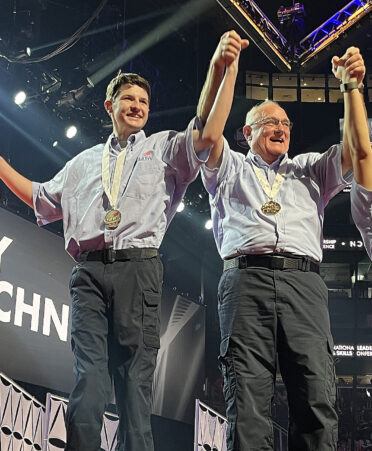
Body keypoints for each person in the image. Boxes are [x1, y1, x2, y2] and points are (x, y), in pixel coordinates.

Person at [0, 31, 248, 451]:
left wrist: (224, 69)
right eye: (129, 99)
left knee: (135, 388)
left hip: (139, 268)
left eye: (143, 103)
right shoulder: (82, 163)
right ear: (109, 105)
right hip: (89, 274)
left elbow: (207, 133)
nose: (137, 107)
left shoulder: (164, 148)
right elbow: (40, 198)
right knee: (89, 384)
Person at [198, 46, 366, 450]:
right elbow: (207, 132)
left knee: (316, 395)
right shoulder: (229, 166)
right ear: (247, 132)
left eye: (286, 122)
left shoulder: (311, 167)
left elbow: (359, 150)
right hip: (245, 280)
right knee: (248, 399)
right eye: (269, 121)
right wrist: (225, 72)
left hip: (304, 284)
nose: (281, 127)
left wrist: (352, 89)